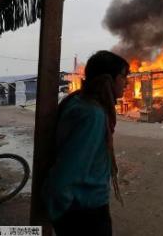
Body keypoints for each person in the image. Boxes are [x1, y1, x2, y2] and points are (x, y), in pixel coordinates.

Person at [42, 51, 129, 236]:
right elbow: (67, 172)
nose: (127, 83)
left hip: (81, 210)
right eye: (123, 76)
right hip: (85, 214)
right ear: (108, 79)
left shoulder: (78, 101)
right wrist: (61, 211)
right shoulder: (92, 115)